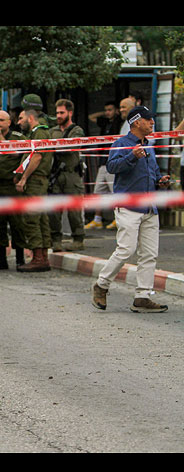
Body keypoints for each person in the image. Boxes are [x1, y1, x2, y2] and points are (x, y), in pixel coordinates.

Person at [92, 106, 170, 313]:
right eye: (149, 119)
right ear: (136, 122)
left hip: (149, 208)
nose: (152, 122)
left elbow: (152, 173)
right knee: (126, 249)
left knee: (149, 254)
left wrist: (159, 180)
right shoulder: (121, 144)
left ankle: (143, 296)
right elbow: (112, 168)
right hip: (128, 207)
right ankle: (101, 285)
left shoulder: (149, 146)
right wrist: (132, 157)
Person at [86, 97, 137, 230]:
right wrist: (105, 114)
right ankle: (97, 219)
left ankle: (118, 219)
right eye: (120, 107)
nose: (121, 110)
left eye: (122, 108)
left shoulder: (122, 122)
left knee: (116, 192)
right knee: (98, 192)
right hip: (104, 162)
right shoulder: (109, 123)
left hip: (116, 162)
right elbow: (91, 117)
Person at [0, 110, 28, 270]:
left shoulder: (18, 138)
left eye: (1, 120)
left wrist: (2, 140)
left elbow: (21, 156)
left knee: (17, 224)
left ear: (9, 122)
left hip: (12, 187)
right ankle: (2, 258)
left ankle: (19, 258)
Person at [15, 108, 53, 272]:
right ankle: (42, 256)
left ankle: (38, 257)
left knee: (32, 219)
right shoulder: (39, 133)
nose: (18, 122)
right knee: (41, 219)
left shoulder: (40, 133)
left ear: (30, 118)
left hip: (35, 181)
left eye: (21, 118)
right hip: (38, 181)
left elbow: (36, 156)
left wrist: (24, 178)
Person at [48, 99, 87, 252]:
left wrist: (54, 146)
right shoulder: (53, 131)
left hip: (72, 174)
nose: (58, 115)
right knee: (54, 210)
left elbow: (70, 147)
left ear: (70, 113)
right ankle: (56, 239)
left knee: (74, 209)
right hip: (56, 174)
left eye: (62, 112)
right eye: (57, 112)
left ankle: (78, 238)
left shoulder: (76, 130)